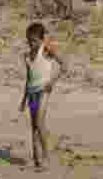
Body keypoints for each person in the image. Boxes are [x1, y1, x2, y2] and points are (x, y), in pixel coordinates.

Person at [18, 22, 67, 171]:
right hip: (32, 94)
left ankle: (46, 157)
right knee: (34, 126)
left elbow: (64, 65)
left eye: (34, 41)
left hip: (43, 91)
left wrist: (52, 81)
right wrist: (23, 99)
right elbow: (29, 78)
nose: (31, 44)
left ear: (41, 40)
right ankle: (37, 160)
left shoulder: (46, 50)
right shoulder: (26, 56)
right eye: (29, 41)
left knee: (39, 122)